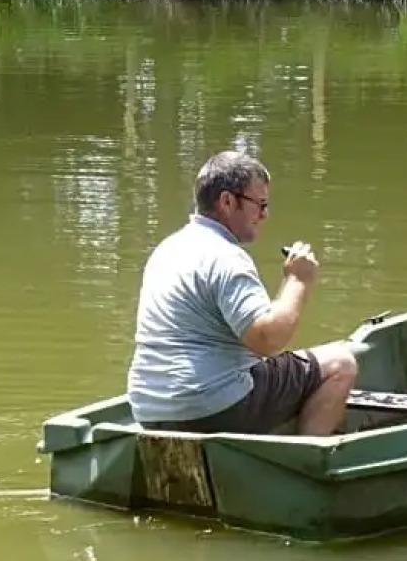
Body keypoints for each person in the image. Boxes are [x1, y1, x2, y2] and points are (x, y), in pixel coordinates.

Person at [126, 150, 358, 436]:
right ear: (227, 201)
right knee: (341, 364)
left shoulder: (167, 249)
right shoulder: (225, 257)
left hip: (148, 407)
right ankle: (306, 464)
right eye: (259, 204)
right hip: (212, 407)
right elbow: (267, 340)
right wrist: (298, 280)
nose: (264, 214)